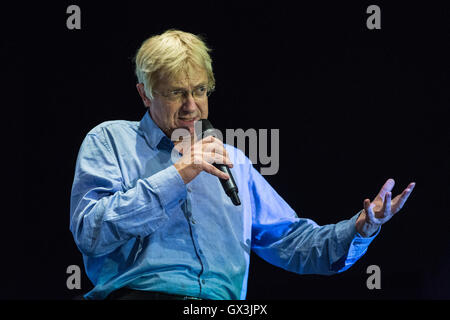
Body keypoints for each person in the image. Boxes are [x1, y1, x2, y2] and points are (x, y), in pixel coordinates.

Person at [69, 29, 416, 300]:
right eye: (176, 93)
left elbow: (293, 242)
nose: (192, 106)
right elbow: (91, 232)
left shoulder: (235, 160)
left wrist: (359, 229)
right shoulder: (110, 140)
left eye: (200, 90)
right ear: (145, 95)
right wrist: (178, 175)